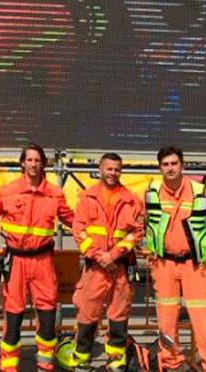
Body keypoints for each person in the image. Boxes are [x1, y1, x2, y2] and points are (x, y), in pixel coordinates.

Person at [0, 143, 74, 371]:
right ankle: (9, 367)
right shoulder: (7, 191)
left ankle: (45, 366)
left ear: (43, 164)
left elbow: (73, 220)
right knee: (13, 321)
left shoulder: (54, 193)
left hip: (43, 262)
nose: (33, 164)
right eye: (29, 160)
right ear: (22, 163)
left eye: (37, 160)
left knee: (47, 320)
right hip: (15, 262)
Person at [144, 146, 206, 371]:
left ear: (182, 165)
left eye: (174, 163)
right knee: (167, 322)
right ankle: (171, 364)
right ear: (160, 167)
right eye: (165, 164)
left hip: (193, 265)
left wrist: (202, 252)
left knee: (203, 322)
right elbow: (146, 223)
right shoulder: (151, 191)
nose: (170, 168)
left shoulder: (201, 191)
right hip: (163, 264)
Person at [68, 152, 143, 371]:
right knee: (88, 313)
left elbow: (136, 233)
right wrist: (98, 256)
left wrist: (114, 255)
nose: (112, 173)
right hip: (96, 267)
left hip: (119, 266)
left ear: (121, 171)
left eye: (117, 169)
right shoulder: (87, 197)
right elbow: (79, 231)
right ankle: (82, 359)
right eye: (109, 168)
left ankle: (116, 360)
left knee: (118, 315)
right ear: (100, 169)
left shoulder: (132, 200)